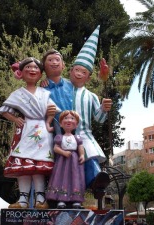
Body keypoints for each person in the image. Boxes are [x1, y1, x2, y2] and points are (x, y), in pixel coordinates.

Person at [43, 26, 112, 189]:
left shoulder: (91, 96)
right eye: (77, 70)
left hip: (84, 134)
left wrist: (104, 108)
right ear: (70, 70)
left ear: (88, 77)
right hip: (61, 135)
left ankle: (96, 181)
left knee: (89, 153)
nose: (79, 74)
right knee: (62, 168)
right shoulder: (63, 86)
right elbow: (52, 86)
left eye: (84, 72)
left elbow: (99, 119)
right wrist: (46, 82)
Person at [0, 57, 58, 209]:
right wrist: (15, 119)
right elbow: (4, 110)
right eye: (28, 68)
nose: (32, 70)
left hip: (42, 131)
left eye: (35, 68)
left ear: (40, 73)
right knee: (24, 166)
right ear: (21, 73)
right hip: (25, 130)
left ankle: (40, 198)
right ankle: (23, 199)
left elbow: (53, 109)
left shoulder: (45, 92)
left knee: (38, 166)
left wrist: (49, 120)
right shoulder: (18, 93)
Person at [46, 110, 85, 209]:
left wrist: (82, 155)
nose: (69, 120)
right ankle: (61, 199)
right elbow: (56, 148)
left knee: (75, 179)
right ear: (61, 124)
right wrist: (63, 152)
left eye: (72, 118)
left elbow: (80, 147)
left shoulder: (77, 137)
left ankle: (76, 200)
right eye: (66, 118)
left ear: (76, 124)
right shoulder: (59, 137)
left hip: (74, 162)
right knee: (62, 178)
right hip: (62, 162)